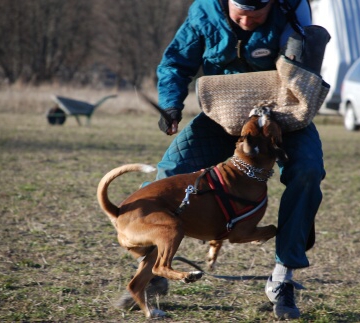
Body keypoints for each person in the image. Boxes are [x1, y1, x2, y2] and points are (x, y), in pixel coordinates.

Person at [121, 0, 327, 320]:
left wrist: (302, 48)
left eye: (256, 13)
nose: (247, 20)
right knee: (169, 172)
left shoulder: (291, 12)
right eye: (240, 12)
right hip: (222, 117)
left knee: (307, 172)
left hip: (281, 118)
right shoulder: (204, 12)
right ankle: (152, 274)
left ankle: (282, 278)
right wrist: (171, 104)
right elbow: (176, 62)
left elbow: (307, 72)